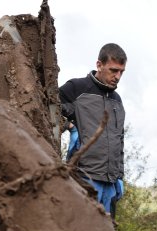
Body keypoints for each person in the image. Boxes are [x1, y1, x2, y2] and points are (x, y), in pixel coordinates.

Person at [59, 43, 127, 217]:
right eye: (113, 70)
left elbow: (119, 139)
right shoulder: (77, 89)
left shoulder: (117, 100)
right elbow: (47, 106)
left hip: (111, 184)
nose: (118, 76)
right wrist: (69, 125)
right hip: (85, 178)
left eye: (121, 72)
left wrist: (119, 176)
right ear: (99, 65)